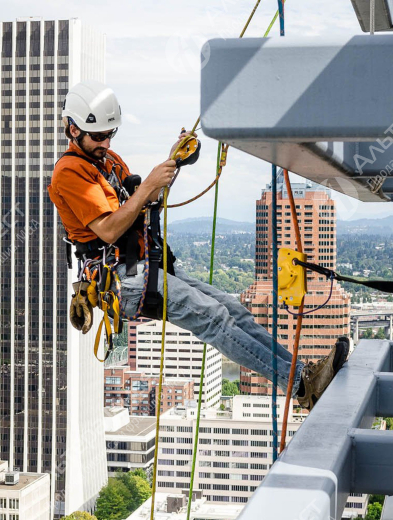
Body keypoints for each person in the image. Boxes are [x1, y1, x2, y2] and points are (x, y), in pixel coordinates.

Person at [47, 79, 348, 411]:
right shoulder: (69, 173)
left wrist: (171, 163)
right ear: (73, 130)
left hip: (146, 264)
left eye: (110, 134)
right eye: (99, 136)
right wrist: (148, 185)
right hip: (124, 279)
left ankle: (303, 373)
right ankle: (303, 387)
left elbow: (143, 202)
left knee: (235, 311)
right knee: (215, 319)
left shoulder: (109, 162)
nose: (106, 142)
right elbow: (108, 229)